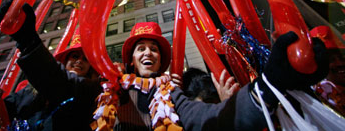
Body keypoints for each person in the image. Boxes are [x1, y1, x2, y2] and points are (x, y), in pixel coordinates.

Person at [109, 21, 328, 131]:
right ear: (131, 60)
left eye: (153, 48)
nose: (148, 52)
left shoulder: (171, 94)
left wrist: (268, 86)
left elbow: (209, 118)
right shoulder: (108, 89)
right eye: (141, 48)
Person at [0, 4, 101, 131]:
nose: (79, 61)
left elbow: (60, 83)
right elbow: (0, 111)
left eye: (86, 59)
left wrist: (28, 41)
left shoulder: (92, 90)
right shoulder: (29, 91)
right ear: (65, 61)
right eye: (75, 56)